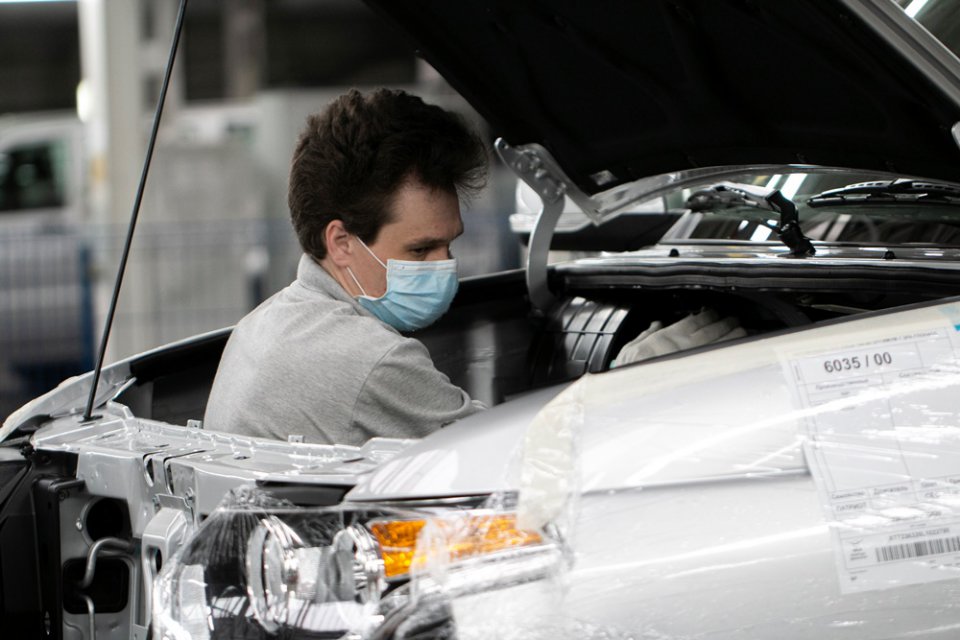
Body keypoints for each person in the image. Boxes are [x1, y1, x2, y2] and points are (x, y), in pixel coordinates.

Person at [203, 88, 488, 445]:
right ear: (341, 243)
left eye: (449, 245)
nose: (445, 266)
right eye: (420, 250)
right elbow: (497, 451)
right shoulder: (375, 360)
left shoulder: (256, 327)